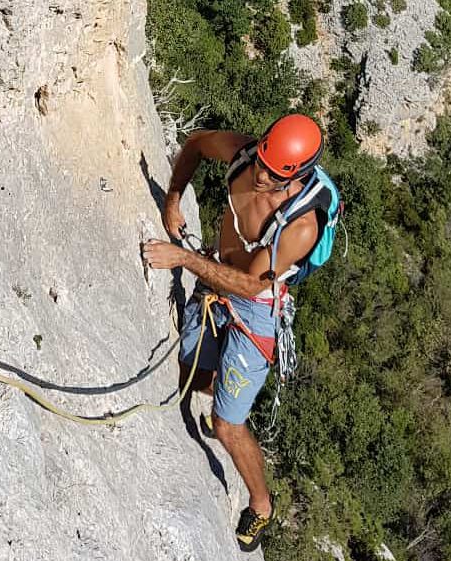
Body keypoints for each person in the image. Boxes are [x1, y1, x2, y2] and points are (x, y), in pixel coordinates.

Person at [142, 114, 338, 552]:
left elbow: (252, 285)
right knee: (193, 370)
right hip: (217, 276)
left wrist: (186, 261)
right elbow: (195, 145)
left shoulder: (300, 225)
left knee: (227, 425)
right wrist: (174, 199)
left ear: (296, 176)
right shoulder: (246, 153)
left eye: (272, 174)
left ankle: (262, 504)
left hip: (256, 309)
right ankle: (224, 397)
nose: (260, 174)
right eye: (261, 163)